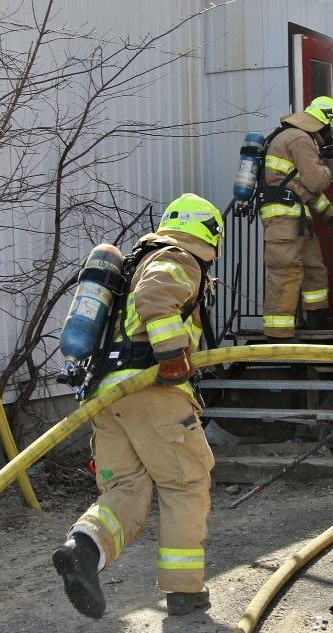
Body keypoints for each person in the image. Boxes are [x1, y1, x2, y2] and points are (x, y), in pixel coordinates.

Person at [52, 193, 223, 619]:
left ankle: (83, 548)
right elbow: (156, 298)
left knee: (126, 489)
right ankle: (184, 590)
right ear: (209, 234)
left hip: (109, 396)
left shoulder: (134, 263)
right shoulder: (177, 257)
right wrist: (172, 354)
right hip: (152, 390)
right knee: (185, 485)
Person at [260, 96, 333, 340]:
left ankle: (317, 320)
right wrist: (325, 167)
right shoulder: (300, 139)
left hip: (295, 218)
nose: (332, 137)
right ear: (325, 123)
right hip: (284, 221)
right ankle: (278, 335)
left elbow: (303, 189)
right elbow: (316, 181)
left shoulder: (294, 137)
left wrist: (330, 213)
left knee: (314, 268)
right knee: (285, 273)